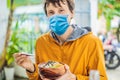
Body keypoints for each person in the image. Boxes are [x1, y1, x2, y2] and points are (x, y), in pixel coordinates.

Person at [14, 0, 108, 80]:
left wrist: (74, 78)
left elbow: (100, 78)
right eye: (51, 12)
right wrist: (31, 68)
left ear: (72, 13)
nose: (56, 16)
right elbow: (41, 77)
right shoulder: (41, 42)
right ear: (47, 16)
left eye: (61, 10)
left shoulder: (92, 42)